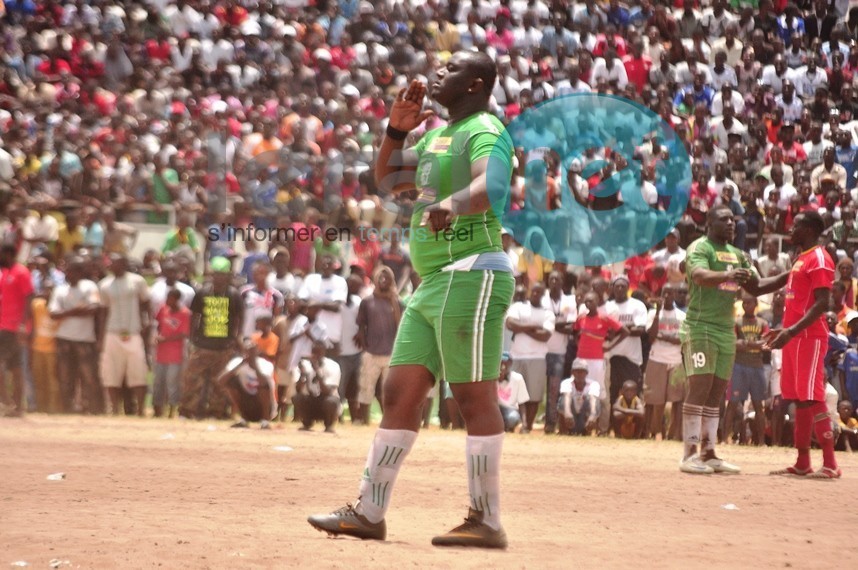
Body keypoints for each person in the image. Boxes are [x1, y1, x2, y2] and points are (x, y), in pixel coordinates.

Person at [308, 51, 515, 548]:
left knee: (471, 397)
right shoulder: (436, 134)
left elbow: (496, 184)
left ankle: (485, 519)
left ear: (478, 82)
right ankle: (369, 512)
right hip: (432, 282)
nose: (438, 73)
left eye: (452, 69)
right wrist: (396, 132)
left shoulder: (484, 128)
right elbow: (388, 183)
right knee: (397, 393)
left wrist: (452, 202)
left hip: (471, 272)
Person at [755, 212, 841, 478]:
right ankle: (803, 462)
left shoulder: (819, 258)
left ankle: (830, 464)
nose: (790, 228)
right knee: (801, 400)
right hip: (794, 338)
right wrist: (786, 330)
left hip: (809, 338)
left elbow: (822, 303)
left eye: (797, 225)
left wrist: (791, 331)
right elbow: (798, 301)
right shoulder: (800, 259)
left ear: (811, 229)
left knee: (813, 397)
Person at [679, 206, 755, 474]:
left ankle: (709, 453)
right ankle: (689, 454)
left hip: (725, 330)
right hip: (700, 328)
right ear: (709, 223)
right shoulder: (699, 247)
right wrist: (728, 275)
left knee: (716, 393)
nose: (731, 223)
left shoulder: (738, 255)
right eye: (724, 219)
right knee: (699, 387)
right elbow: (699, 276)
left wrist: (789, 277)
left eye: (733, 220)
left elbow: (756, 285)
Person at [178, 256, 243, 420]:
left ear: (228, 276)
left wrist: (235, 340)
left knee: (219, 383)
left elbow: (238, 319)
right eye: (216, 274)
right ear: (212, 275)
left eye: (223, 274)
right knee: (192, 380)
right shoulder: (202, 293)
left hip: (223, 347)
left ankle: (216, 412)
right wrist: (192, 339)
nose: (219, 277)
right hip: (202, 345)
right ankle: (187, 411)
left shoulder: (234, 295)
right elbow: (194, 317)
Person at [725, 293, 770, 445]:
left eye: (749, 303)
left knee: (759, 405)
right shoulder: (736, 322)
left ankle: (761, 441)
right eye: (744, 303)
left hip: (757, 367)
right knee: (732, 402)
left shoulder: (762, 323)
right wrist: (754, 344)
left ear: (755, 304)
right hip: (739, 366)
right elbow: (733, 342)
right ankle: (725, 438)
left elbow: (766, 343)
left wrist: (745, 344)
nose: (746, 306)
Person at [0, 243, 34, 417]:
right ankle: (12, 405)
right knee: (14, 367)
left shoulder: (21, 272)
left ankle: (11, 403)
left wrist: (23, 324)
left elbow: (29, 297)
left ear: (7, 253)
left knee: (16, 368)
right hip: (2, 326)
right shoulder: (3, 272)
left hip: (13, 328)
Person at [217, 340, 278, 430]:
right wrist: (239, 365)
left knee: (264, 386)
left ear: (257, 351)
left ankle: (265, 422)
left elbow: (264, 384)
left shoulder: (265, 364)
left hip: (264, 408)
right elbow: (221, 381)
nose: (249, 352)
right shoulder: (237, 362)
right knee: (231, 382)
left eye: (252, 350)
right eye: (247, 350)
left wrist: (254, 365)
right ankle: (243, 419)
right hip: (247, 405)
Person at [152, 288, 190, 418]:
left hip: (175, 354)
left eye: (170, 298)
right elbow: (158, 323)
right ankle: (157, 410)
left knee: (172, 383)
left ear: (176, 299)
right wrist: (158, 335)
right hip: (161, 354)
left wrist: (165, 339)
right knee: (158, 382)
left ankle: (172, 411)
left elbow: (184, 333)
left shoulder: (184, 313)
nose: (167, 300)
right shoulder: (163, 309)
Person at [293, 340, 342, 433]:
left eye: (319, 352)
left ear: (324, 352)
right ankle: (307, 422)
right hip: (312, 400)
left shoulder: (333, 366)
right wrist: (302, 375)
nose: (316, 355)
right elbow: (297, 389)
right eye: (313, 352)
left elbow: (328, 391)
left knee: (331, 401)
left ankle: (329, 425)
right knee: (297, 398)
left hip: (326, 401)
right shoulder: (306, 365)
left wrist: (317, 371)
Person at [558, 358, 601, 436]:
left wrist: (593, 414)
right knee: (563, 400)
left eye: (582, 372)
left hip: (584, 415)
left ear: (586, 373)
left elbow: (593, 399)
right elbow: (567, 396)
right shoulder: (566, 383)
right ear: (572, 372)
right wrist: (567, 413)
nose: (579, 374)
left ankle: (588, 430)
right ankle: (563, 431)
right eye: (577, 371)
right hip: (571, 415)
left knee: (595, 403)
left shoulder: (593, 384)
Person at [496, 352, 529, 433]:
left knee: (512, 418)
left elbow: (521, 403)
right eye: (501, 363)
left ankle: (508, 428)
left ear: (510, 364)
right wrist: (497, 380)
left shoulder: (517, 378)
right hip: (495, 407)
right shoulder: (490, 377)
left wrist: (524, 423)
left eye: (505, 363)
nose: (503, 366)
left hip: (509, 408)